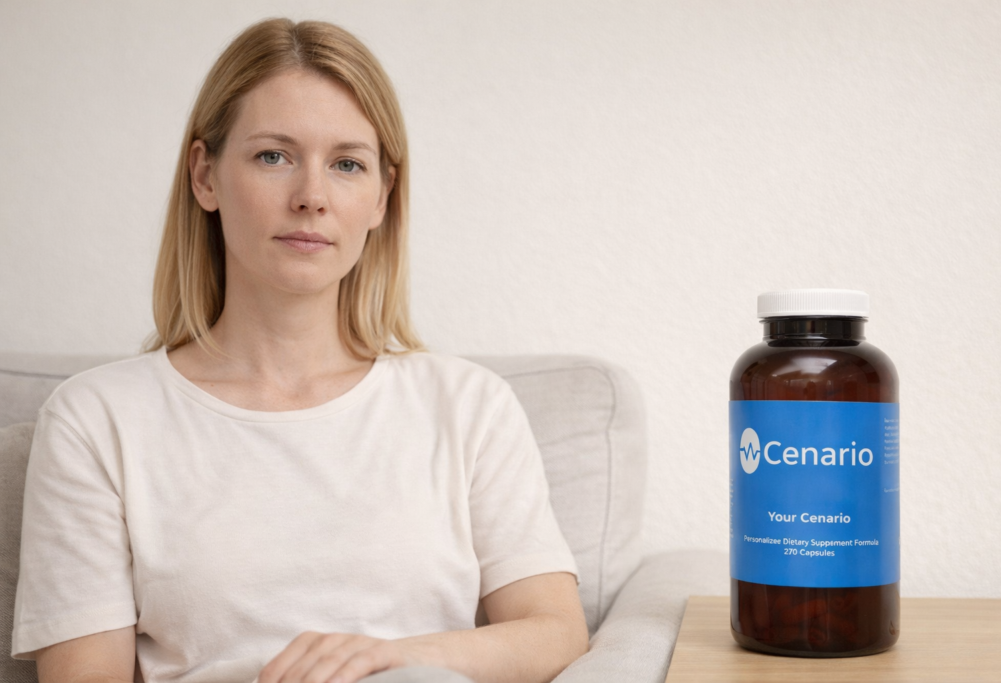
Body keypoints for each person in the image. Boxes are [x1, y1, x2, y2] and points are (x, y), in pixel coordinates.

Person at [11, 17, 588, 683]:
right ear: (204, 176)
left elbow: (556, 631)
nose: (312, 197)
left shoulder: (469, 405)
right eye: (273, 156)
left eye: (347, 164)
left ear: (381, 197)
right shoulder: (96, 418)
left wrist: (391, 655)